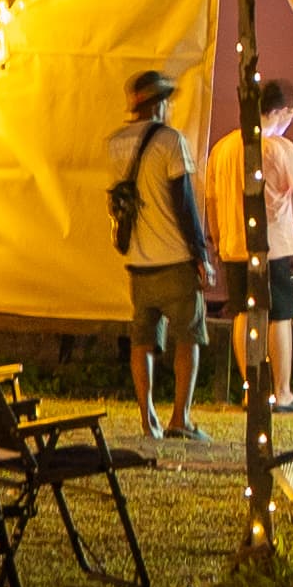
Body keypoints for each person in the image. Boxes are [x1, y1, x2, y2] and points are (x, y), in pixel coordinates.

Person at [108, 61, 207, 438]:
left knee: (142, 339)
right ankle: (180, 418)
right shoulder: (171, 141)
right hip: (175, 259)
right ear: (159, 104)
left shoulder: (115, 144)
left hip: (138, 261)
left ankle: (147, 416)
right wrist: (200, 254)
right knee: (188, 337)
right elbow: (184, 205)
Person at [222, 71, 293, 412]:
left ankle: (251, 390)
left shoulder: (224, 148)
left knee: (243, 314)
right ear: (281, 112)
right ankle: (281, 393)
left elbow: (210, 200)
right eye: (291, 117)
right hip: (275, 247)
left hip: (234, 247)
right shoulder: (279, 148)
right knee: (280, 316)